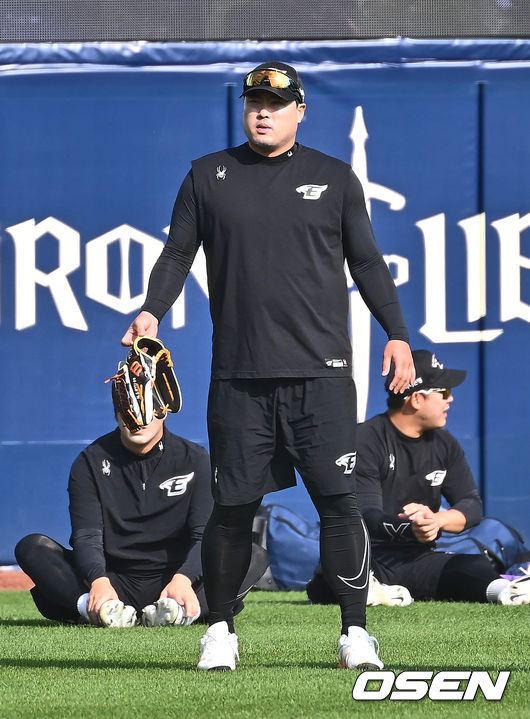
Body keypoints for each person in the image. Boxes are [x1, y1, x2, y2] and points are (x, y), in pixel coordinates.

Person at [121, 61, 415, 670]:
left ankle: (355, 633)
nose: (263, 110)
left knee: (339, 502)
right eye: (255, 100)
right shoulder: (209, 175)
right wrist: (152, 311)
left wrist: (398, 336)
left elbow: (367, 262)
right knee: (233, 507)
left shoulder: (333, 178)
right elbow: (178, 252)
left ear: (299, 110)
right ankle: (221, 630)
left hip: (322, 373)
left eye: (277, 103)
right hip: (240, 374)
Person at [15, 377, 267, 628]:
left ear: (165, 410)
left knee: (251, 554)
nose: (139, 419)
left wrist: (184, 578)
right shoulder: (90, 461)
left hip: (175, 583)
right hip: (112, 582)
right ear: (117, 412)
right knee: (32, 547)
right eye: (130, 409)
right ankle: (97, 610)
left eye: (148, 408)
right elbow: (87, 536)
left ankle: (179, 612)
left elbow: (203, 535)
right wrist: (98, 582)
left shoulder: (195, 459)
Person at [307, 349, 530, 606]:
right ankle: (370, 591)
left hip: (418, 559)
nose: (451, 399)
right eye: (443, 392)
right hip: (369, 557)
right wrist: (410, 527)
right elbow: (366, 515)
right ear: (415, 400)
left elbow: (471, 505)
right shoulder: (365, 439)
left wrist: (436, 520)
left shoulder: (445, 443)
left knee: (470, 564)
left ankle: (508, 592)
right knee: (334, 573)